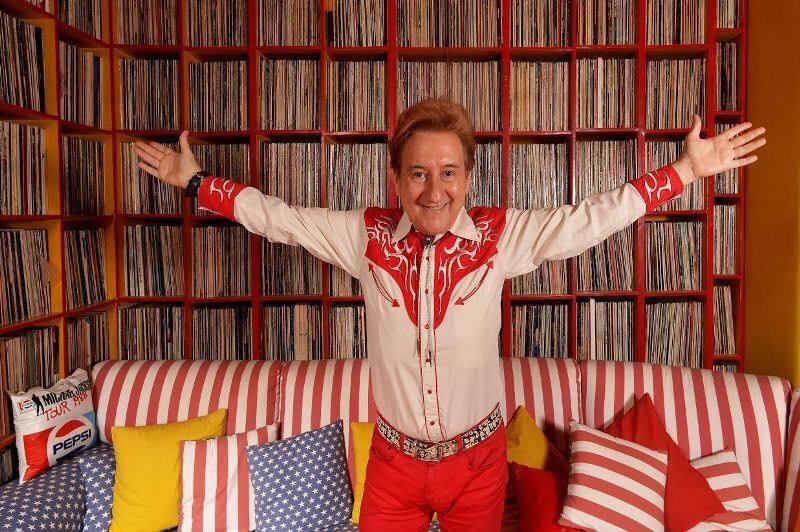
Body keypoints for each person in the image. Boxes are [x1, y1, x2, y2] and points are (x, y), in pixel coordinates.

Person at [133, 98, 766, 531]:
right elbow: (280, 219)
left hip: (477, 465)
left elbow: (590, 219)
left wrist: (688, 169)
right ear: (395, 178)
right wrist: (196, 182)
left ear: (468, 176)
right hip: (393, 465)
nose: (433, 191)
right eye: (417, 174)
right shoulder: (365, 237)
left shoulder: (499, 237)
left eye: (448, 173)